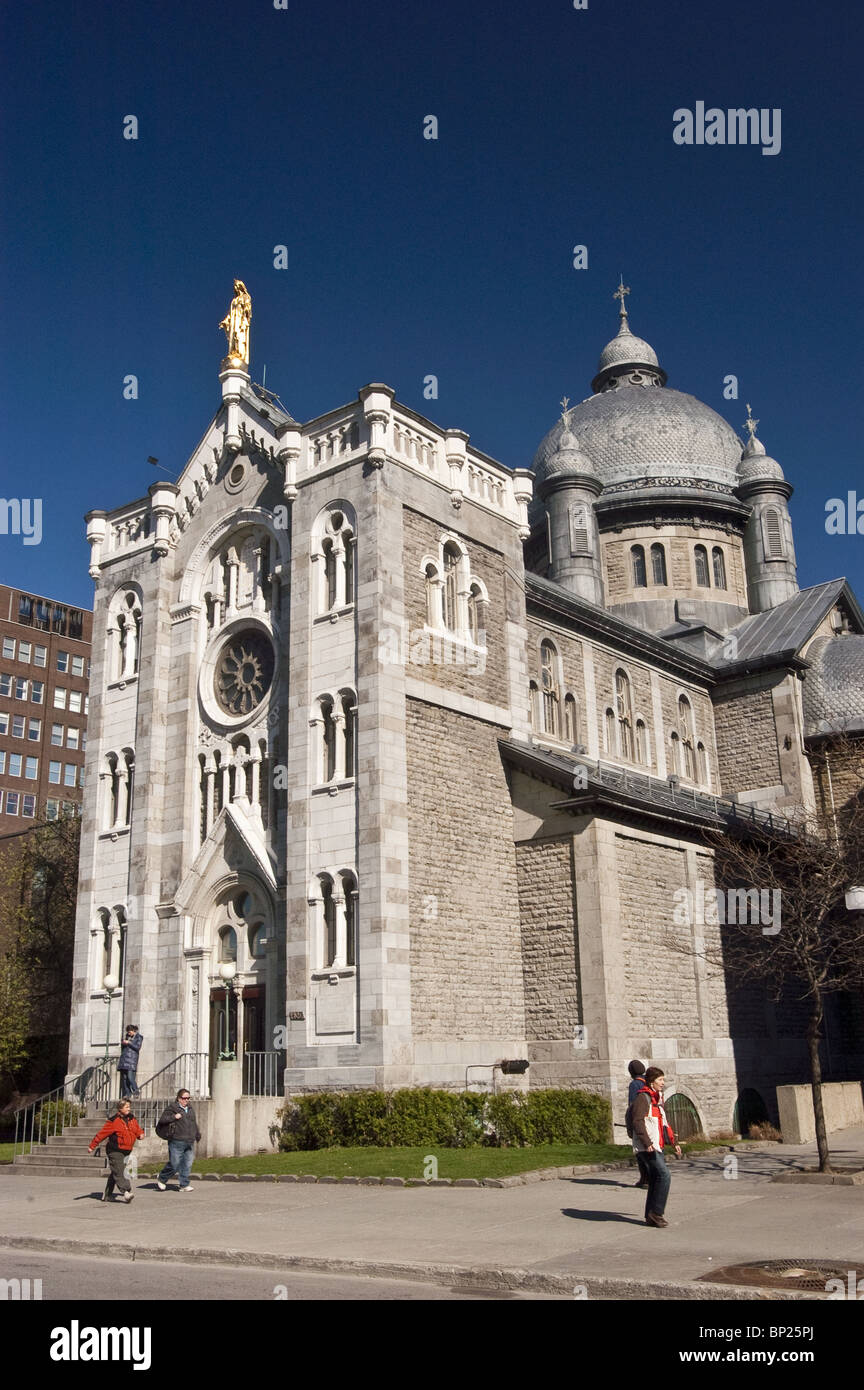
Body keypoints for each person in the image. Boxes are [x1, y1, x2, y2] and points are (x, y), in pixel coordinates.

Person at [630, 1066, 682, 1227]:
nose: (663, 1082)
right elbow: (637, 1122)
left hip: (656, 1145)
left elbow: (664, 1123)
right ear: (652, 1082)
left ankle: (650, 1215)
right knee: (664, 1176)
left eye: (663, 1079)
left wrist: (674, 1143)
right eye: (660, 1080)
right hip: (647, 1146)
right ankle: (656, 1213)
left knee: (655, 1178)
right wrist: (647, 1142)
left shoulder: (657, 1098)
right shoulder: (643, 1098)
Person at [88, 1099, 144, 1203]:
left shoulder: (132, 1118)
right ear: (120, 1108)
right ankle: (126, 1192)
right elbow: (102, 1134)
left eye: (129, 1107)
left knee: (116, 1171)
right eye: (127, 1107)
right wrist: (92, 1145)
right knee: (120, 1171)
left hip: (127, 1150)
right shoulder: (113, 1121)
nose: (129, 1109)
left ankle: (108, 1195)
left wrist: (140, 1134)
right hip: (115, 1150)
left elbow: (136, 1129)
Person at [156, 1088, 201, 1193]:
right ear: (179, 1098)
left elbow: (193, 1123)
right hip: (177, 1140)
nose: (186, 1100)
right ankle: (162, 1178)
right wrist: (174, 1117)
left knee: (187, 1163)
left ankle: (184, 1184)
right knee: (175, 1163)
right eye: (184, 1098)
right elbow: (162, 1120)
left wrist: (197, 1133)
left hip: (189, 1140)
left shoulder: (190, 1108)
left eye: (188, 1098)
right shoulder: (172, 1108)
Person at [627, 1060, 650, 1189]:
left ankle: (645, 1178)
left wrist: (630, 1123)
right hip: (651, 1118)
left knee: (640, 1150)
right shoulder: (649, 1081)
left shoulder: (635, 1084)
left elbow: (632, 1105)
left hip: (639, 1119)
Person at [117, 1024, 143, 1099]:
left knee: (130, 1077)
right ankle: (127, 1094)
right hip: (124, 1060)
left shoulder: (139, 1037)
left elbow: (137, 1047)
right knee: (125, 1079)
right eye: (128, 1032)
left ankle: (136, 1091)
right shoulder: (127, 1037)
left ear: (133, 1030)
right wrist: (124, 1042)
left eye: (130, 1032)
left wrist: (129, 1043)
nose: (129, 1033)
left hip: (131, 1060)